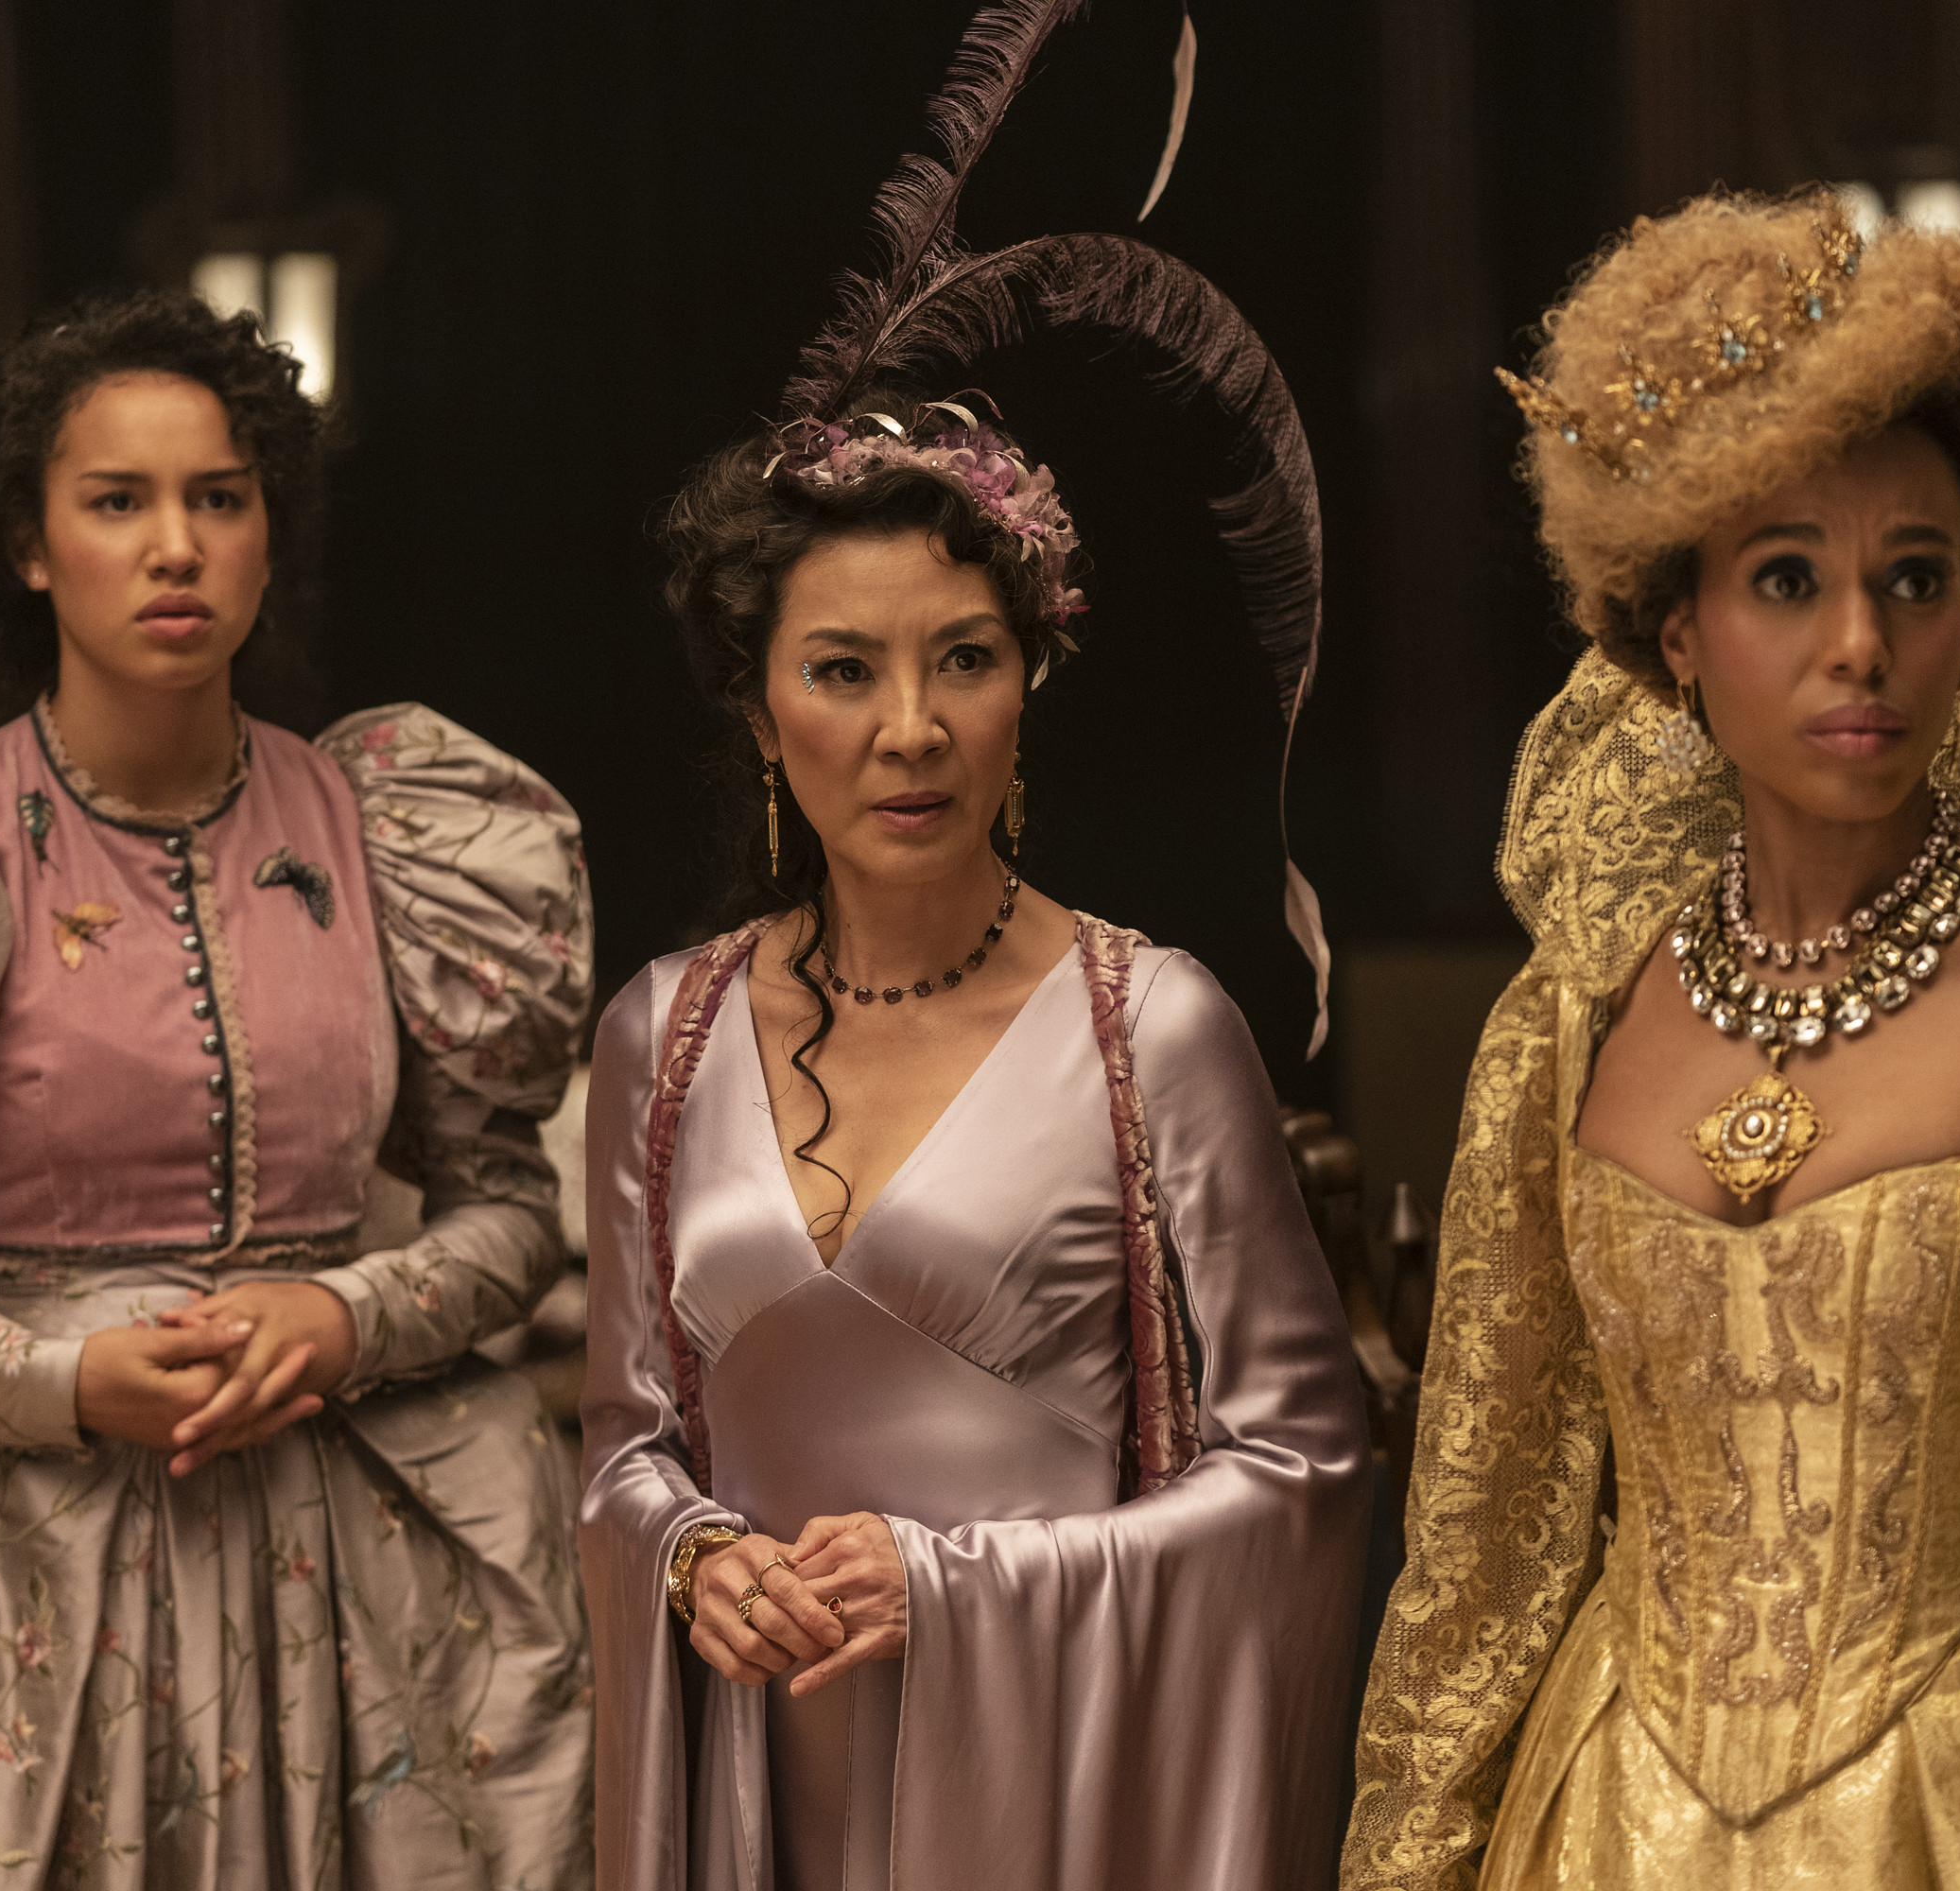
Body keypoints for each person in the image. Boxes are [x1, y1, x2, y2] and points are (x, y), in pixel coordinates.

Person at [1341, 190, 1960, 1888]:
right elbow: (1480, 1545)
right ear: (1677, 631)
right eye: (1786, 579)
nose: (1861, 646)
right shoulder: (1565, 1026)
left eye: (1915, 578)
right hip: (1606, 1824)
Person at [0, 288, 595, 1889]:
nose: (176, 547)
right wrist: (55, 1381)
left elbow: (510, 1216)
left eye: (221, 498)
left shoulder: (402, 836)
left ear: (269, 533)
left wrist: (345, 1317)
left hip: (346, 1563)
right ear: (29, 542)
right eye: (118, 501)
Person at [581, 10, 1369, 1890]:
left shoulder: (1154, 1024)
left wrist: (958, 1586)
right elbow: (622, 1445)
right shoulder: (659, 1035)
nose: (910, 729)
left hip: (1052, 1798)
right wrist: (690, 1560)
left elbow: (1306, 1470)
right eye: (842, 671)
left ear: (1034, 684)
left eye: (964, 659)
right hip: (768, 1787)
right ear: (760, 712)